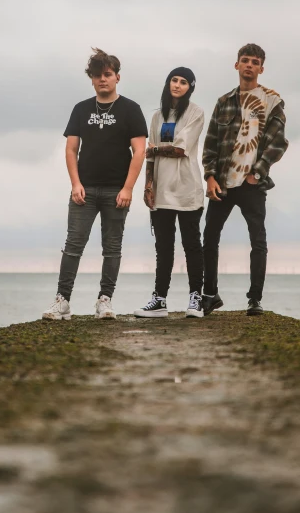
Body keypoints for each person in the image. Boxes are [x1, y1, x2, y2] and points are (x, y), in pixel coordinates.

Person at [43, 48, 147, 321]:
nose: (103, 80)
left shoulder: (131, 109)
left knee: (112, 248)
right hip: (84, 190)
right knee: (73, 246)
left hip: (116, 191)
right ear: (91, 79)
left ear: (117, 77)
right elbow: (70, 149)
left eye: (108, 75)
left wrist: (128, 188)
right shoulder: (81, 109)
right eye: (97, 75)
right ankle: (62, 301)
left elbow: (139, 151)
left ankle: (105, 300)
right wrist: (76, 184)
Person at [202, 43, 288, 316]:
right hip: (224, 183)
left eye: (254, 62)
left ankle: (255, 299)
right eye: (245, 60)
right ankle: (210, 294)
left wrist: (257, 173)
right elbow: (211, 143)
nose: (249, 65)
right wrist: (210, 177)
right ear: (236, 65)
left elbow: (278, 143)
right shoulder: (223, 102)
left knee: (257, 241)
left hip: (252, 183)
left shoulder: (272, 100)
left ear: (261, 68)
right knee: (210, 236)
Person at [134, 67, 205, 319]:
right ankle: (159, 299)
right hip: (161, 191)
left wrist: (153, 149)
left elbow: (180, 150)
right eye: (173, 80)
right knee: (163, 247)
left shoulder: (196, 113)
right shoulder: (156, 117)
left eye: (183, 82)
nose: (177, 85)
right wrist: (147, 185)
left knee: (192, 246)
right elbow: (148, 158)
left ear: (190, 87)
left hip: (187, 189)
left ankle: (196, 298)